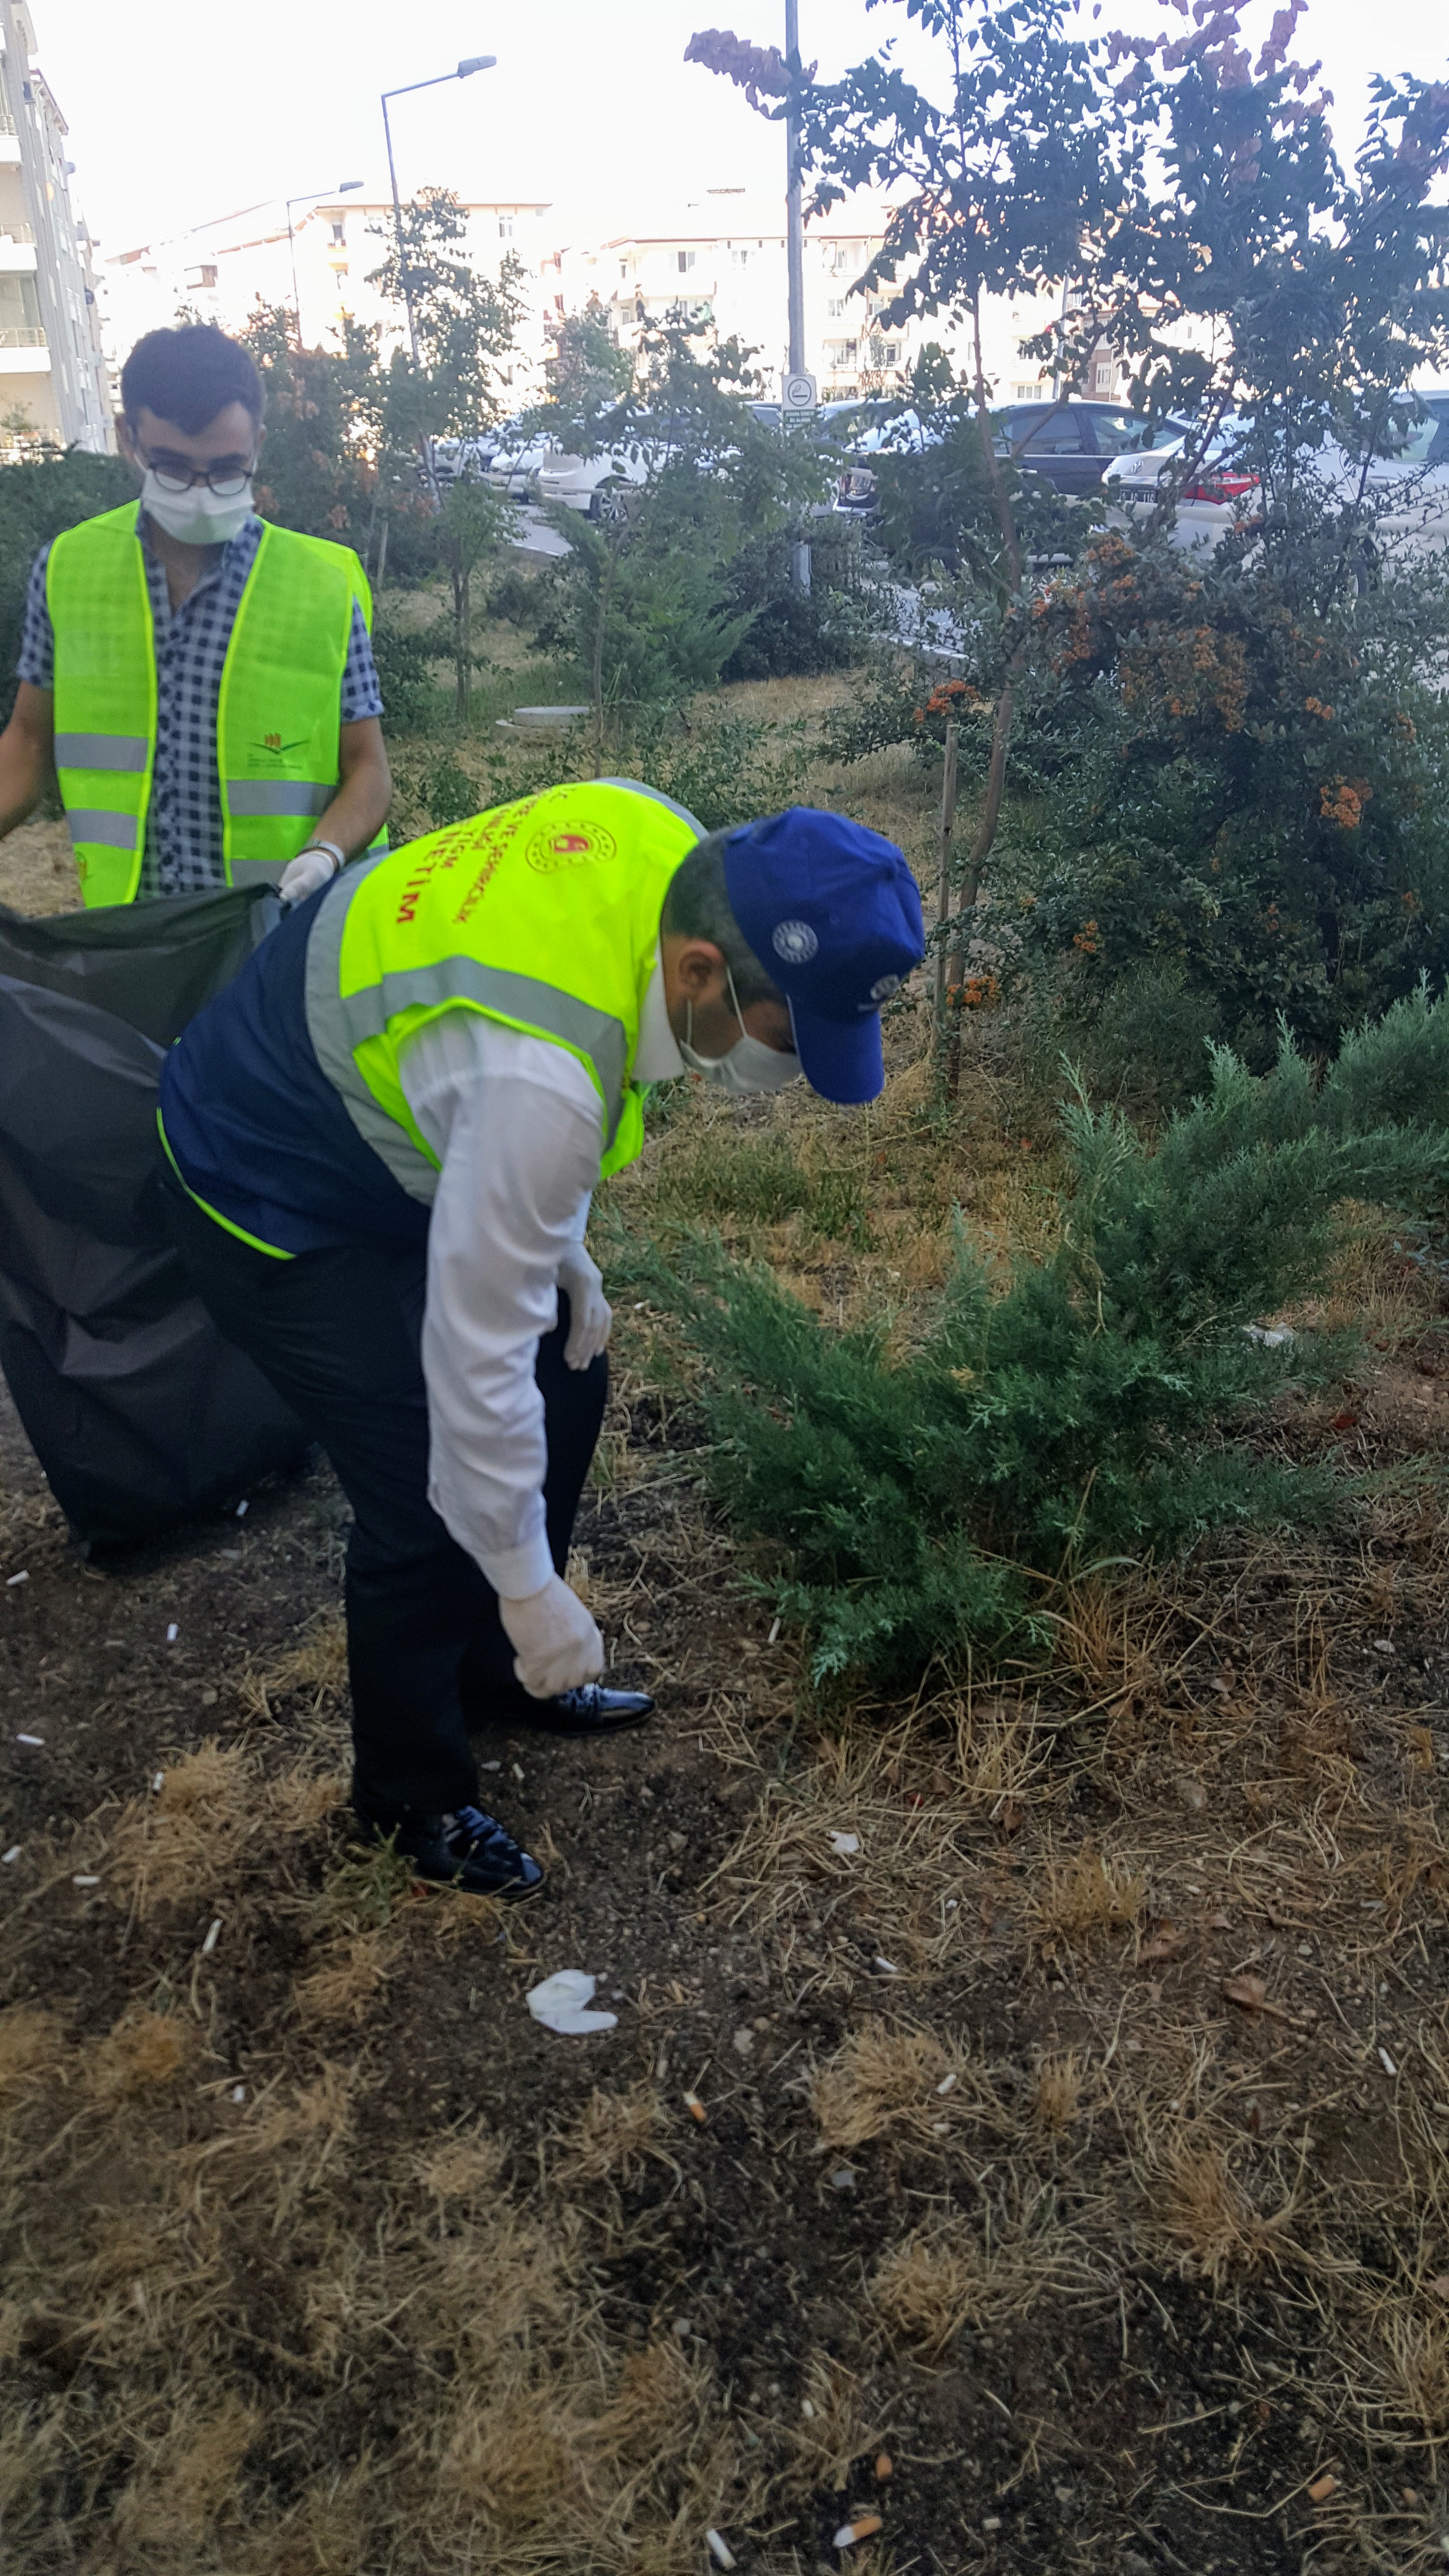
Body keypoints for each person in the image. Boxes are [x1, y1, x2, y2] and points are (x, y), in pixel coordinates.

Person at [156, 780, 924, 1900]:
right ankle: (408, 1792)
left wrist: (551, 1245)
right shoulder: (539, 1085)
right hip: (259, 1166)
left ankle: (497, 1667)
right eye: (786, 1031)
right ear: (699, 969)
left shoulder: (665, 838)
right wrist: (524, 1579)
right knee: (421, 1477)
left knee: (568, 1359)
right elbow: (471, 1360)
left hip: (384, 1100)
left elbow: (497, 1088)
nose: (792, 1064)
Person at [0, 323, 390, 907]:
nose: (203, 492)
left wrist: (324, 854)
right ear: (129, 438)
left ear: (257, 444)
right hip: (135, 938)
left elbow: (368, 768)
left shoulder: (324, 586)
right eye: (176, 468)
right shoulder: (68, 571)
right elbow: (28, 743)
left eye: (228, 468)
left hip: (281, 936)